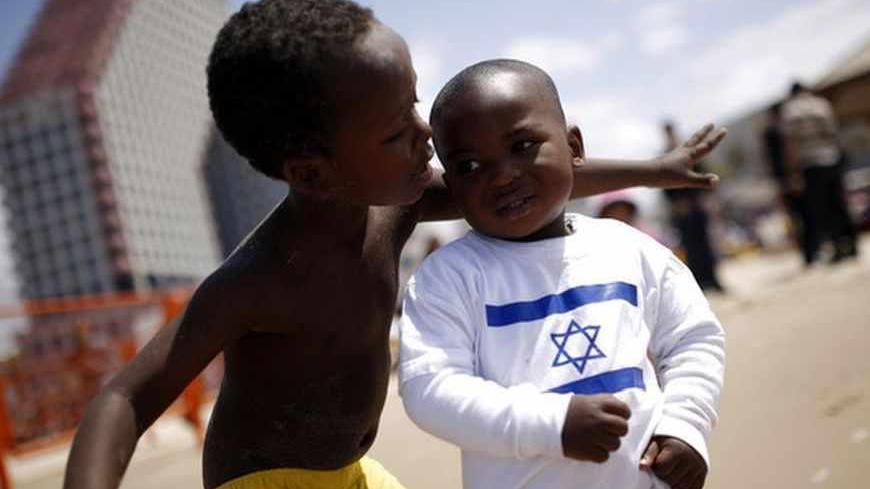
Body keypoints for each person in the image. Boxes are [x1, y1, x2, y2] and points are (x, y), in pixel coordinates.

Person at [62, 2, 726, 488]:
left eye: (414, 105)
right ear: (312, 172)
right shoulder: (258, 279)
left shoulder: (392, 206)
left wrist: (656, 170)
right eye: (396, 131)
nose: (427, 136)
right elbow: (123, 397)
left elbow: (529, 181)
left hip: (355, 472)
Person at [399, 60, 725, 489]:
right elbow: (429, 388)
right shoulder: (449, 277)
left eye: (522, 145)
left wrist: (685, 424)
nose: (502, 176)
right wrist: (550, 424)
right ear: (450, 186)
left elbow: (692, 339)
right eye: (470, 167)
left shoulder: (628, 247)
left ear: (574, 146)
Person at [782, 82, 858, 263]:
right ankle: (852, 246)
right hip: (831, 158)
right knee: (839, 204)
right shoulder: (821, 105)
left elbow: (790, 144)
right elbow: (834, 132)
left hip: (810, 163)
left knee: (821, 208)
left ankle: (838, 247)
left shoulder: (791, 110)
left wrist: (793, 171)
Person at [662, 122, 725, 292]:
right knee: (691, 248)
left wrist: (706, 199)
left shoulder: (688, 153)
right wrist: (677, 204)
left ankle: (713, 279)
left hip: (697, 207)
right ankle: (700, 283)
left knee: (705, 244)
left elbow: (704, 176)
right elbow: (663, 185)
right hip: (682, 212)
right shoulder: (664, 156)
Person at [761, 102, 814, 264]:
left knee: (795, 218)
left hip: (781, 180)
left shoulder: (768, 133)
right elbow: (789, 153)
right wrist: (795, 175)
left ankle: (807, 253)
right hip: (790, 178)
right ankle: (812, 250)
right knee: (805, 215)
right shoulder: (782, 131)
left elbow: (768, 160)